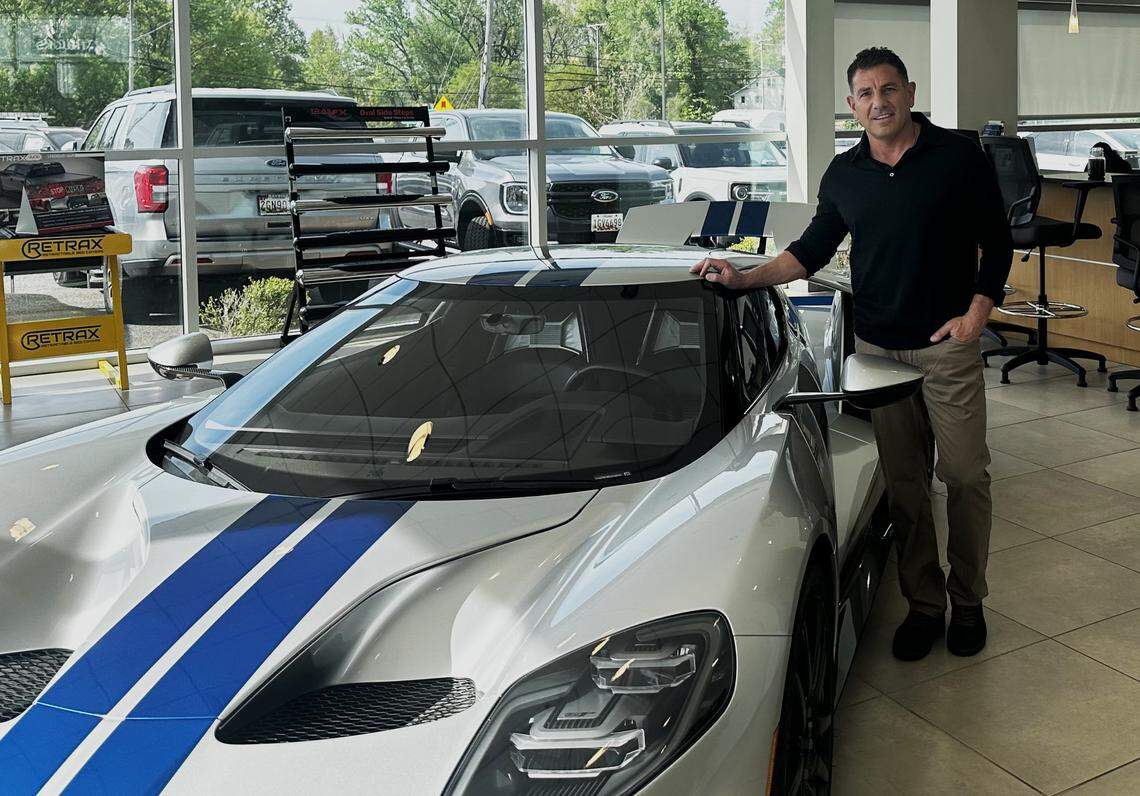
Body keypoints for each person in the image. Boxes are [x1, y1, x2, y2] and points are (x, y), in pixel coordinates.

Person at [691, 46, 1013, 662]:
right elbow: (807, 253)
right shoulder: (844, 175)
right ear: (852, 105)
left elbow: (995, 241)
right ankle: (925, 606)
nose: (879, 103)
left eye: (888, 90)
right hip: (879, 348)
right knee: (906, 484)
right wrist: (740, 277)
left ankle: (968, 601)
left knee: (966, 475)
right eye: (865, 94)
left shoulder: (957, 157)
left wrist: (978, 312)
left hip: (947, 347)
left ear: (910, 92)